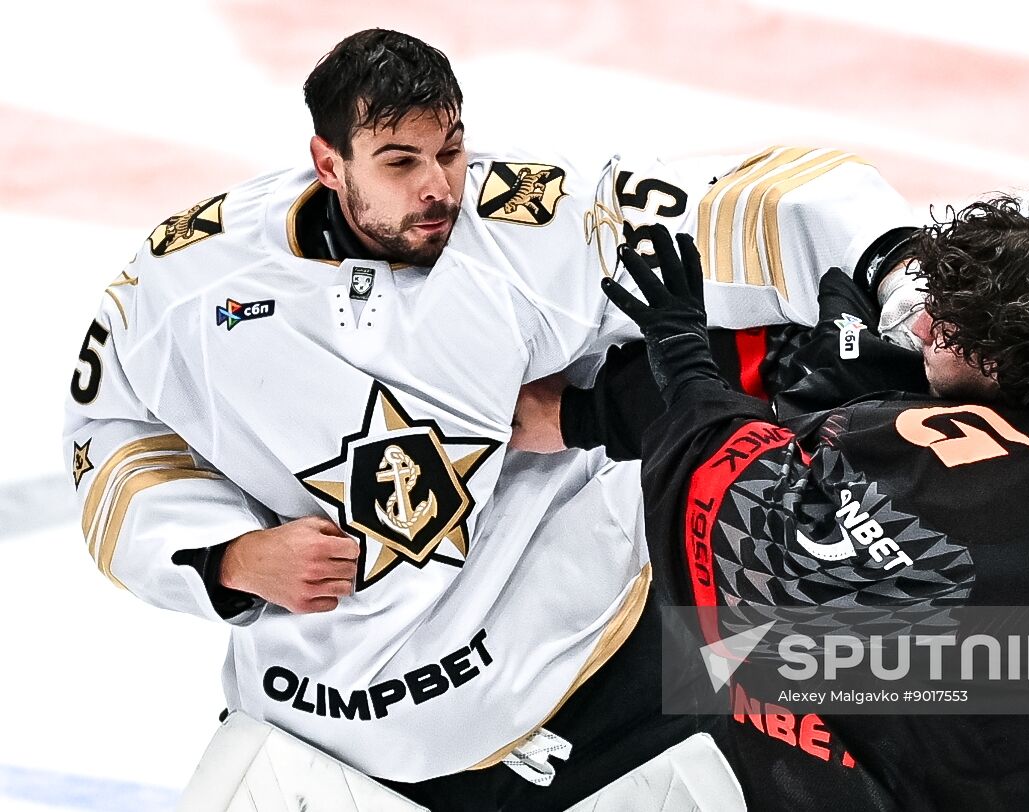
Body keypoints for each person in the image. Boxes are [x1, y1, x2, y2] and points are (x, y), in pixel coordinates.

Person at [62, 27, 922, 808]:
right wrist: (222, 557)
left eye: (451, 150)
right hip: (330, 736)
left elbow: (750, 209)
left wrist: (899, 263)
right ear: (328, 163)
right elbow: (110, 435)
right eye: (399, 162)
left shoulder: (532, 220)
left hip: (590, 669)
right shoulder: (188, 281)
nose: (438, 188)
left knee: (964, 690)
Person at [584, 205, 1029, 810]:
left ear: (1001, 363)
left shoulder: (978, 498)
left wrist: (680, 354)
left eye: (947, 329)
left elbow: (746, 517)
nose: (921, 328)